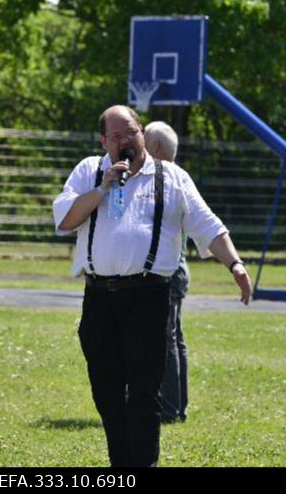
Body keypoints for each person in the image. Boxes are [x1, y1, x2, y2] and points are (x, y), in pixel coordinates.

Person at [52, 105, 251, 467]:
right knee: (108, 394)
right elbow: (65, 219)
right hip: (99, 297)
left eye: (131, 131)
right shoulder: (89, 171)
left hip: (148, 297)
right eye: (116, 136)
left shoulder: (172, 177)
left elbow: (208, 225)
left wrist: (235, 264)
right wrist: (103, 187)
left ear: (142, 132)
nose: (125, 140)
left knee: (144, 395)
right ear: (103, 141)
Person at [144, 121, 189, 424]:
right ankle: (177, 406)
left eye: (143, 139)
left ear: (156, 148)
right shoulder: (180, 179)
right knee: (175, 339)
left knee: (166, 339)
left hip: (169, 272)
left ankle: (170, 408)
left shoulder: (167, 181)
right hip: (179, 269)